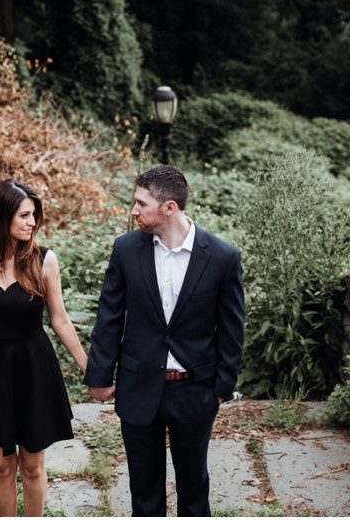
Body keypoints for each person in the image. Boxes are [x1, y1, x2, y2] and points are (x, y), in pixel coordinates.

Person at [83, 165, 245, 517]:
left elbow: (232, 329)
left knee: (194, 490)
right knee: (144, 493)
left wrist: (221, 387)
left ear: (169, 207)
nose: (134, 211)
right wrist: (99, 376)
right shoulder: (126, 249)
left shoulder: (222, 257)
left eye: (141, 203)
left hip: (195, 392)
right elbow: (110, 316)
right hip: (138, 386)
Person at [0, 179, 88, 517]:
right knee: (0, 464)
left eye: (34, 216)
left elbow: (61, 320)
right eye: (25, 215)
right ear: (2, 216)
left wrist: (89, 366)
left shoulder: (44, 261)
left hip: (33, 366)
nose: (32, 222)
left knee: (33, 463)